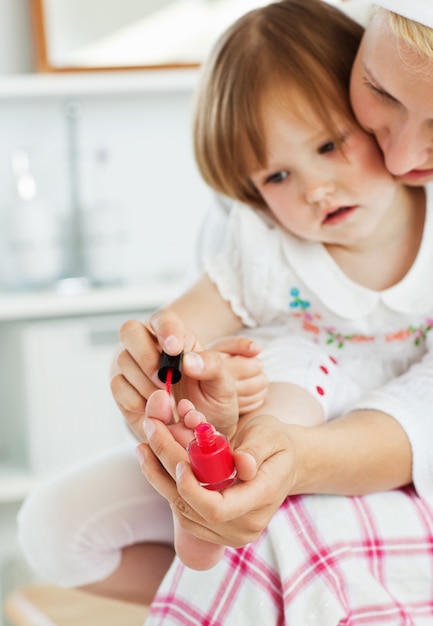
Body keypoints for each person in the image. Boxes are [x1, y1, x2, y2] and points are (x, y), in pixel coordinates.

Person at [16, 0, 433, 617]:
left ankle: (224, 523)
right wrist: (169, 358)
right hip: (293, 397)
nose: (314, 188)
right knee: (285, 369)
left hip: (377, 439)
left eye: (328, 145)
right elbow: (187, 320)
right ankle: (212, 516)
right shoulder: (266, 243)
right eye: (276, 176)